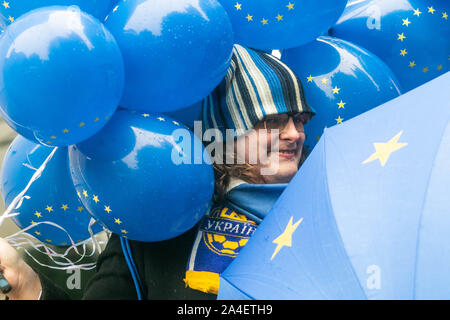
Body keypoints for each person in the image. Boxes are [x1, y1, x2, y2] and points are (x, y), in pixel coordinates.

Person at [0, 44, 314, 300]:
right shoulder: (160, 221)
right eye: (272, 121)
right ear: (225, 130)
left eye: (300, 120)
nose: (294, 134)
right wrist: (28, 285)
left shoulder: (330, 204)